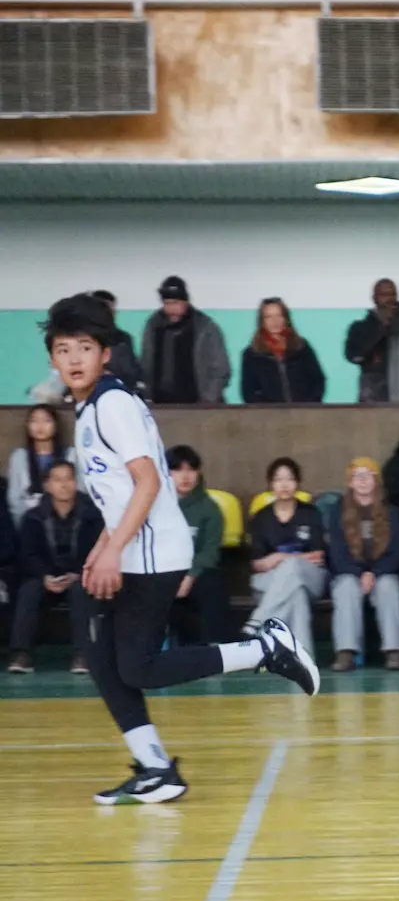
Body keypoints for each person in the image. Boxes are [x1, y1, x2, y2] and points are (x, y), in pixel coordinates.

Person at [44, 293, 315, 805]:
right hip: (129, 547)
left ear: (105, 353)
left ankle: (264, 649)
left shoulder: (114, 405)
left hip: (152, 552)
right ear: (52, 359)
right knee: (96, 645)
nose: (74, 358)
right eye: (63, 349)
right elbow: (118, 496)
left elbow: (147, 484)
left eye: (85, 347)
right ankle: (154, 767)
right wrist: (102, 548)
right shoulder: (88, 409)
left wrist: (112, 549)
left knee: (138, 667)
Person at [8, 460, 100, 675]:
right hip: (45, 576)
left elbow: (97, 550)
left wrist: (77, 574)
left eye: (68, 478)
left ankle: (82, 655)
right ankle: (21, 654)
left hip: (80, 575)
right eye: (57, 480)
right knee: (29, 590)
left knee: (81, 591)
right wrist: (44, 576)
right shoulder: (33, 517)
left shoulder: (92, 515)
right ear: (47, 485)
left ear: (76, 482)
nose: (64, 485)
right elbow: (27, 554)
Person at [326, 457, 399, 671]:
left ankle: (394, 651)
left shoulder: (391, 512)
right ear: (350, 482)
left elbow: (397, 550)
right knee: (346, 588)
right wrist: (357, 573)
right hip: (349, 572)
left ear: (376, 481)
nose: (363, 480)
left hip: (382, 571)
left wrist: (376, 572)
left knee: (388, 586)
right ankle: (346, 652)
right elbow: (337, 551)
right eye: (357, 476)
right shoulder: (338, 511)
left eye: (368, 475)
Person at [246, 457, 327, 650]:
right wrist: (292, 559)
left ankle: (260, 619)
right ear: (271, 484)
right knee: (296, 593)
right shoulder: (261, 517)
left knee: (292, 567)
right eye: (278, 479)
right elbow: (258, 564)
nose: (284, 484)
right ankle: (303, 656)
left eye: (289, 479)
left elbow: (318, 557)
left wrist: (279, 558)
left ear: (297, 483)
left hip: (311, 579)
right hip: (270, 582)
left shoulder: (311, 513)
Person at [164, 446, 228, 650]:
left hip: (195, 574)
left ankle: (214, 647)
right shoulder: (154, 506)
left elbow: (209, 552)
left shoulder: (209, 509)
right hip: (162, 572)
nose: (185, 476)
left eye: (191, 470)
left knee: (212, 583)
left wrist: (189, 576)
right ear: (166, 473)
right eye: (178, 470)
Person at [140, 276, 230, 405]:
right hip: (161, 404)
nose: (171, 309)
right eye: (167, 304)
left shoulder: (205, 327)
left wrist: (208, 401)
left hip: (199, 405)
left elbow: (221, 369)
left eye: (176, 303)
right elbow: (145, 365)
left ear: (186, 302)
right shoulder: (153, 326)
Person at [239, 297, 326, 404]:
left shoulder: (301, 347)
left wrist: (310, 405)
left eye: (279, 315)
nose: (275, 321)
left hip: (304, 413)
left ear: (286, 318)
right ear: (262, 321)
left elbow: (318, 380)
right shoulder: (251, 354)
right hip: (269, 417)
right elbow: (248, 392)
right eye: (269, 317)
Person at [8, 404, 69, 526]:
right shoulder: (19, 456)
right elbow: (14, 498)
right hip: (28, 520)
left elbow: (78, 492)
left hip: (63, 520)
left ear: (55, 425)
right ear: (28, 426)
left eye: (46, 421)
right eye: (34, 421)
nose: (40, 426)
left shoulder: (70, 454)